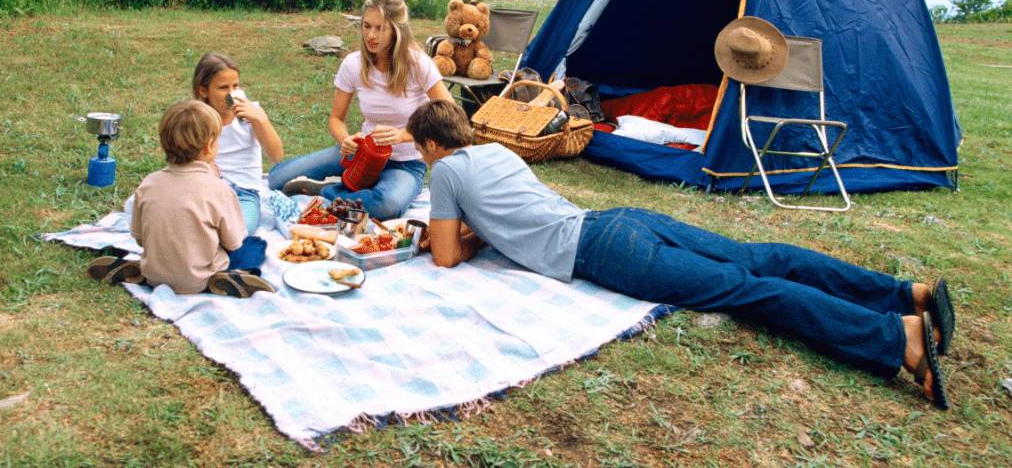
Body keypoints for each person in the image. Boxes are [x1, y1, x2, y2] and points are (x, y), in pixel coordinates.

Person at [405, 99, 956, 410]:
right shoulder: (497, 151)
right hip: (620, 220)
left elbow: (447, 259)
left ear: (431, 146)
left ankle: (897, 338)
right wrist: (480, 233)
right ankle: (905, 293)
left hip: (601, 249)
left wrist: (449, 234)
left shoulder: (447, 171)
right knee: (757, 257)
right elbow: (510, 218)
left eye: (422, 151)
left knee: (747, 290)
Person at [268, 0, 453, 219]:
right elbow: (336, 119)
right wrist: (345, 139)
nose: (371, 35)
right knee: (276, 179)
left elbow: (450, 113)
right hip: (361, 154)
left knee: (387, 204)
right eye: (367, 26)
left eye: (380, 28)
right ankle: (355, 188)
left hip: (405, 163)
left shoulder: (418, 64)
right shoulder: (352, 64)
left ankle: (327, 191)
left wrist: (403, 135)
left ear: (396, 31)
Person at [87, 100, 274, 298]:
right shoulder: (219, 189)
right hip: (199, 277)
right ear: (209, 146)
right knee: (255, 245)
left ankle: (142, 271)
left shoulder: (148, 184)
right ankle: (231, 275)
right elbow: (234, 242)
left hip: (154, 274)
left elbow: (140, 239)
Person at [192, 52, 284, 234]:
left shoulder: (251, 114)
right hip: (205, 189)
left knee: (237, 232)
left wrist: (260, 120)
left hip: (243, 193)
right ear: (203, 91)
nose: (231, 94)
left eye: (235, 86)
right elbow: (184, 157)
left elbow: (276, 156)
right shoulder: (196, 117)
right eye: (223, 88)